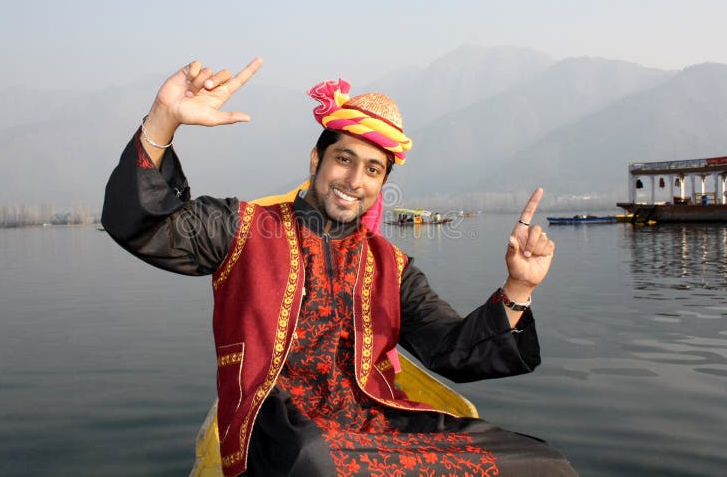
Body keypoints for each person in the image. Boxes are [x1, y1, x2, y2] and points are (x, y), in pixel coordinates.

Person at [102, 58, 576, 476]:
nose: (354, 180)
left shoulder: (390, 266)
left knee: (544, 463)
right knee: (316, 460)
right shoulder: (242, 227)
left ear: (382, 183)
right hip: (277, 429)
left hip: (377, 420)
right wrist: (164, 119)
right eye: (344, 159)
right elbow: (144, 225)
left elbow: (452, 350)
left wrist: (517, 286)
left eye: (372, 169)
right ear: (316, 159)